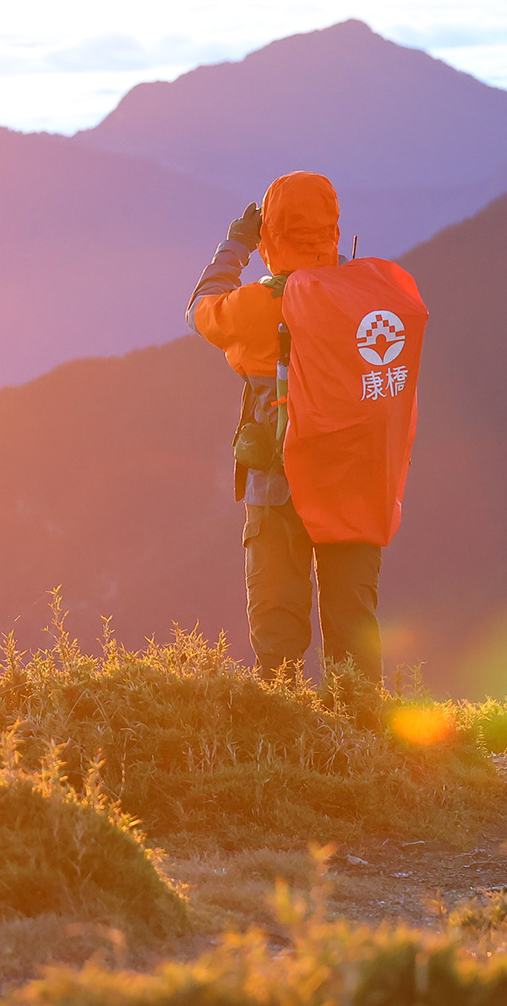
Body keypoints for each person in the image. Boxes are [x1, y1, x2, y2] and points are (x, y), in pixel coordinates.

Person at [186, 171, 382, 684]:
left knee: (278, 629)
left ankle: (286, 750)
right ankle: (363, 744)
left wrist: (236, 245)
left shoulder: (262, 303)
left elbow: (201, 311)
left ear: (270, 233)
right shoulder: (367, 297)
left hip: (278, 483)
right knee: (353, 625)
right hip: (354, 481)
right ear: (334, 229)